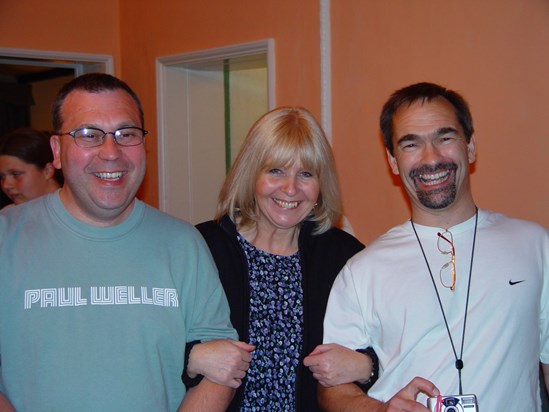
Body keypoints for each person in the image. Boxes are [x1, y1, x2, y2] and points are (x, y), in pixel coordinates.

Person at [0, 73, 243, 412]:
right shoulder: (6, 239)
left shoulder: (183, 244)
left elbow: (221, 367)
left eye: (126, 134)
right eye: (89, 135)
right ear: (56, 151)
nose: (111, 152)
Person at [318, 82, 549, 412]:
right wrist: (381, 411)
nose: (431, 158)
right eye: (411, 144)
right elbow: (332, 390)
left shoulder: (536, 246)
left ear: (470, 148)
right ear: (393, 161)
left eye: (445, 137)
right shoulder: (362, 270)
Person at [192, 106, 377, 411]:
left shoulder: (346, 257)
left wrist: (368, 366)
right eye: (275, 170)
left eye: (306, 174)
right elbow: (156, 343)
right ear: (251, 173)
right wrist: (191, 357)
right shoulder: (202, 249)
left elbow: (396, 344)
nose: (290, 189)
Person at [0, 127, 62, 209]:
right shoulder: (7, 216)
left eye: (16, 174)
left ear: (48, 171)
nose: (6, 185)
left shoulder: (77, 211)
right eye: (1, 177)